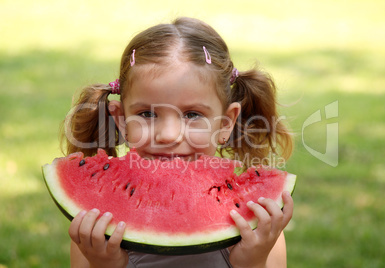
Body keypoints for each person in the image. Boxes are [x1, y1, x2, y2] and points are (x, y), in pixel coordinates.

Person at [61, 17, 294, 268]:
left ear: (226, 123)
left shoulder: (258, 221)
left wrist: (252, 262)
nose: (169, 135)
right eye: (147, 114)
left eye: (192, 115)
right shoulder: (97, 223)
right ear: (121, 120)